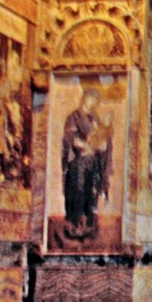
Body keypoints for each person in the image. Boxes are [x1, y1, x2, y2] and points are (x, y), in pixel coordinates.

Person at [61, 87, 112, 239]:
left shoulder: (95, 119)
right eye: (92, 99)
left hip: (93, 163)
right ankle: (76, 224)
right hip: (79, 163)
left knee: (92, 192)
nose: (94, 103)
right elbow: (71, 138)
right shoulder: (74, 117)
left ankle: (89, 224)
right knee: (79, 190)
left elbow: (103, 140)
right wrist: (86, 146)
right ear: (85, 98)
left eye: (96, 101)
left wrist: (103, 139)